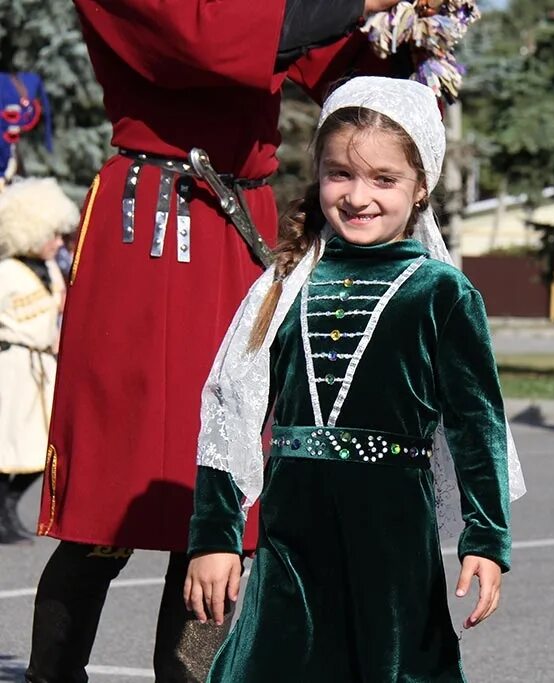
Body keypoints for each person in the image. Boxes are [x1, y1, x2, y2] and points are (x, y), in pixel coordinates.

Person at [27, 2, 408, 681]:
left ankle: (192, 675)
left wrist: (411, 34)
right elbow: (209, 38)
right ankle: (52, 673)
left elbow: (337, 68)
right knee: (109, 503)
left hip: (238, 229)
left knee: (227, 490)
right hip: (153, 227)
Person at [184, 76, 525, 682]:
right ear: (317, 175)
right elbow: (229, 410)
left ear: (420, 189)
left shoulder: (441, 292)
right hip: (293, 538)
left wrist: (486, 537)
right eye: (340, 173)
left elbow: (478, 426)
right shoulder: (283, 283)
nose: (358, 195)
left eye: (384, 179)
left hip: (392, 537)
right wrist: (215, 535)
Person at [0, 178, 78, 545]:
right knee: (10, 446)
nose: (59, 242)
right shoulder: (6, 272)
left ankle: (9, 506)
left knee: (38, 449)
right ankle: (3, 511)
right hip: (12, 367)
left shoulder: (49, 271)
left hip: (41, 368)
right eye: (52, 235)